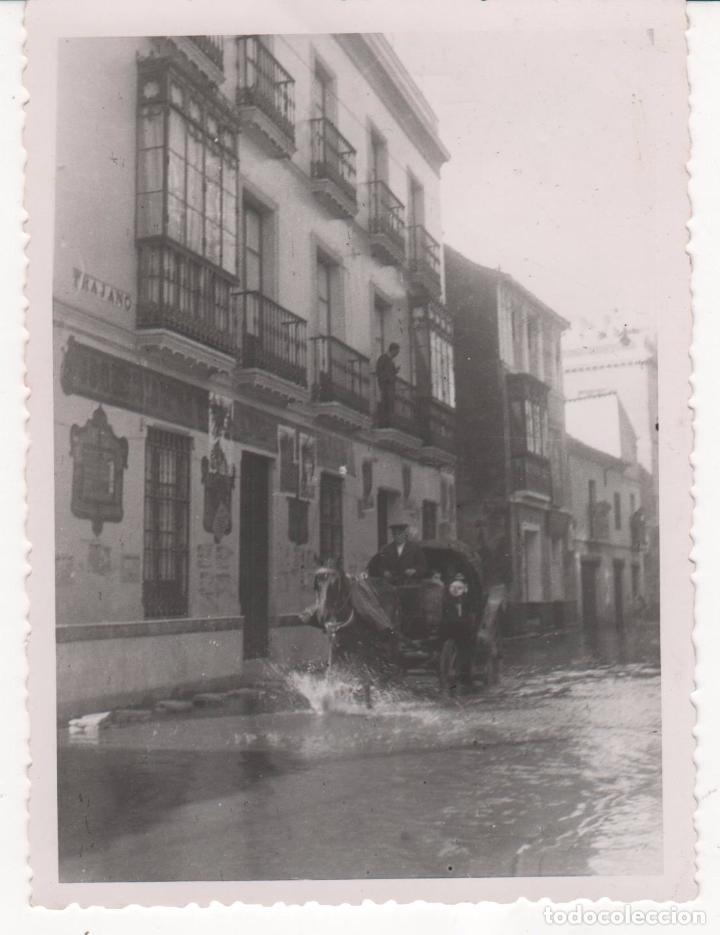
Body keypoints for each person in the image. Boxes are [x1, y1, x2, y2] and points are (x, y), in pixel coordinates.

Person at [441, 573, 477, 688]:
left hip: (464, 627)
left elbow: (472, 610)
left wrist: (469, 622)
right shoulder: (447, 599)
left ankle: (466, 675)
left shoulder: (468, 598)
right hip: (451, 626)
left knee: (465, 647)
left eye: (461, 583)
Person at [375, 342, 400, 427]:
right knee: (385, 404)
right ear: (393, 350)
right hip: (385, 386)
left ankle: (388, 423)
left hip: (389, 386)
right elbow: (379, 371)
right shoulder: (383, 358)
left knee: (389, 405)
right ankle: (384, 423)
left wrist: (394, 371)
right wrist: (387, 378)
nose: (397, 354)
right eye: (397, 352)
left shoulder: (390, 361)